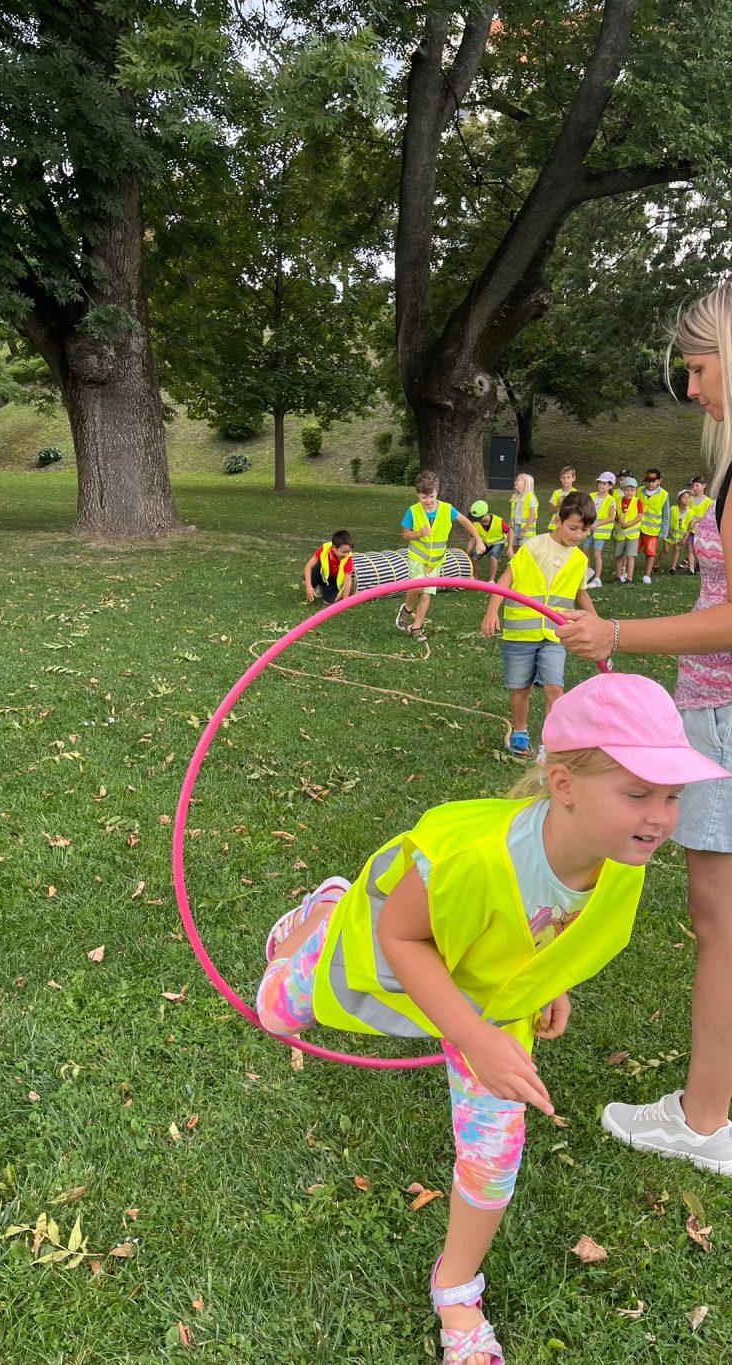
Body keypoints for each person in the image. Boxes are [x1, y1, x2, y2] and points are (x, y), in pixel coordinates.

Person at [255, 673, 730, 1365]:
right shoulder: (475, 858)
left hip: (494, 994)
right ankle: (325, 909)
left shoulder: (623, 857)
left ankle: (455, 1287)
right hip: (395, 948)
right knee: (275, 1014)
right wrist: (473, 1036)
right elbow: (402, 936)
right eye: (638, 793)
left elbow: (560, 929)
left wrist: (547, 983)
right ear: (564, 785)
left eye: (672, 795)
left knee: (495, 1147)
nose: (661, 817)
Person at [557, 280, 732, 1173]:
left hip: (724, 716)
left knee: (719, 920)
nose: (691, 389)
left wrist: (615, 633)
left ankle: (703, 1121)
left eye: (698, 369)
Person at [480, 491, 596, 755]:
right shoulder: (534, 547)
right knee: (521, 688)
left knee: (555, 687)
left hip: (555, 634)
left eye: (584, 530)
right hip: (521, 634)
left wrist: (597, 623)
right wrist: (491, 612)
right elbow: (506, 580)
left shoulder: (580, 559)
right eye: (573, 528)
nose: (578, 535)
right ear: (558, 520)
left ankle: (551, 741)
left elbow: (581, 593)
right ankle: (520, 732)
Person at [396, 470, 485, 643]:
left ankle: (416, 628)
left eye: (431, 496)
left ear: (437, 492)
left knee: (426, 594)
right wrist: (419, 533)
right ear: (417, 494)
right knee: (416, 586)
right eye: (424, 497)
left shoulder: (446, 509)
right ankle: (407, 608)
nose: (428, 501)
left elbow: (465, 521)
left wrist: (479, 540)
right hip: (417, 557)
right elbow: (406, 535)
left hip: (435, 562)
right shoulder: (413, 511)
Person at [466, 500, 513, 582]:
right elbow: (472, 539)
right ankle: (475, 578)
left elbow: (510, 531)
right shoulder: (475, 523)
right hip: (484, 542)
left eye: (477, 518)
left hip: (498, 542)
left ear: (485, 514)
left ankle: (491, 580)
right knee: (474, 557)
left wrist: (510, 548)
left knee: (493, 556)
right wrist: (467, 554)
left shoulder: (498, 521)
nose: (475, 520)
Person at [304, 530, 355, 605]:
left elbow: (347, 581)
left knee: (329, 602)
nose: (346, 554)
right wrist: (308, 587)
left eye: (349, 551)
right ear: (334, 548)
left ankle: (346, 591)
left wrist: (345, 602)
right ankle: (320, 586)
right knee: (305, 582)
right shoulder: (325, 548)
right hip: (324, 574)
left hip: (334, 579)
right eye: (343, 552)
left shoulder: (348, 558)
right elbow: (308, 567)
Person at [584, 471, 617, 588]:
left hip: (601, 531)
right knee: (585, 550)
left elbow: (612, 517)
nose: (601, 485)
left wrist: (597, 524)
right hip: (589, 528)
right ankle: (587, 570)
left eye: (604, 483)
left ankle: (597, 578)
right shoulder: (592, 495)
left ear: (610, 486)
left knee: (597, 553)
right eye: (600, 483)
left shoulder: (611, 500)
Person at [639, 466, 670, 584]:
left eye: (653, 481)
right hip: (637, 527)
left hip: (653, 530)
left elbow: (666, 515)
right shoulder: (639, 491)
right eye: (648, 481)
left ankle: (647, 575)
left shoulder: (664, 494)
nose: (650, 484)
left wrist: (664, 533)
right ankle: (626, 571)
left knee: (650, 553)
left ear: (659, 481)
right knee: (632, 551)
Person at [612, 476, 643, 586]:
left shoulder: (637, 501)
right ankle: (618, 576)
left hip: (632, 534)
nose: (629, 492)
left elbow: (640, 516)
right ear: (623, 489)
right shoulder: (618, 501)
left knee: (630, 556)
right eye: (627, 489)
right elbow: (615, 514)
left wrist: (629, 524)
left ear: (635, 491)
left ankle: (629, 578)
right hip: (620, 533)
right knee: (618, 555)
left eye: (632, 490)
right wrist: (618, 519)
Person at [662, 488, 694, 575]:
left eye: (689, 497)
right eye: (684, 497)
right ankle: (656, 564)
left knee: (676, 549)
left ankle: (673, 567)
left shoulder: (691, 513)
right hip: (669, 534)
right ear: (679, 499)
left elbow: (690, 527)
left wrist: (685, 538)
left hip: (679, 536)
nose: (687, 499)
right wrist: (665, 532)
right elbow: (666, 519)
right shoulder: (673, 509)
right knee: (665, 550)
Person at [687, 475, 712, 574]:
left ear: (704, 486)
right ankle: (691, 569)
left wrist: (697, 521)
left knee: (700, 550)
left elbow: (708, 517)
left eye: (697, 485)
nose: (694, 488)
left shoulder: (709, 502)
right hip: (690, 529)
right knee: (690, 549)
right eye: (693, 486)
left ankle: (701, 566)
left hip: (702, 531)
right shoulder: (689, 499)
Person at [509, 473, 538, 550]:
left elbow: (533, 515)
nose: (515, 482)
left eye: (518, 480)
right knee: (514, 547)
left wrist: (525, 530)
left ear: (526, 483)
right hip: (515, 527)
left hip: (525, 528)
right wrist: (510, 525)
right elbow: (513, 513)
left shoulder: (530, 497)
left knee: (524, 549)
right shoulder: (515, 497)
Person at [547, 465, 577, 531]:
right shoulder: (556, 493)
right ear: (560, 478)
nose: (565, 480)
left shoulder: (576, 493)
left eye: (568, 478)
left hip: (569, 524)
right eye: (563, 478)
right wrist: (558, 505)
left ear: (573, 478)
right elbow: (551, 510)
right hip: (556, 524)